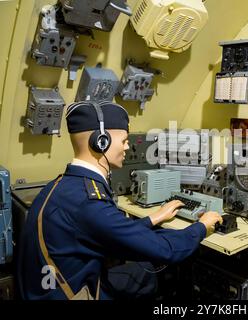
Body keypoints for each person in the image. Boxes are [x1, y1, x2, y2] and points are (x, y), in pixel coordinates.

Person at [17, 101, 223, 300]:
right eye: (124, 140)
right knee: (151, 270)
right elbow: (165, 250)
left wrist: (151, 219)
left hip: (53, 287)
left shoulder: (62, 185)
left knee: (139, 272)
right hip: (77, 292)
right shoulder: (89, 202)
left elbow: (104, 230)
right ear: (101, 142)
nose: (127, 147)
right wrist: (202, 227)